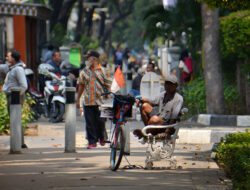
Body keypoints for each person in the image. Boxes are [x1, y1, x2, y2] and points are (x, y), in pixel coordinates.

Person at [77, 50, 112, 149]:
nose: (87, 60)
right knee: (90, 122)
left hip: (101, 101)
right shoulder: (84, 72)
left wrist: (109, 97)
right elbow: (81, 86)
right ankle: (92, 141)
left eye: (88, 58)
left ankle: (101, 137)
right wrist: (78, 99)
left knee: (100, 121)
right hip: (88, 101)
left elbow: (108, 85)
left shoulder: (104, 71)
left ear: (94, 59)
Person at [133, 74, 183, 139]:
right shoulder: (163, 95)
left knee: (154, 119)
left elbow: (173, 117)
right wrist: (141, 100)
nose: (168, 86)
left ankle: (144, 133)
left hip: (167, 125)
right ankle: (149, 130)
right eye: (166, 84)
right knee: (144, 106)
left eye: (170, 84)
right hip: (158, 120)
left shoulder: (178, 99)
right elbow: (152, 101)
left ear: (176, 85)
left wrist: (167, 132)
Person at [0, 49, 28, 148]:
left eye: (8, 56)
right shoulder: (11, 68)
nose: (6, 58)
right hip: (12, 96)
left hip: (14, 97)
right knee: (15, 119)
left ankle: (19, 143)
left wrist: (17, 96)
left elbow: (24, 86)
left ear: (14, 58)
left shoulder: (18, 69)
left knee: (15, 119)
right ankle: (19, 142)